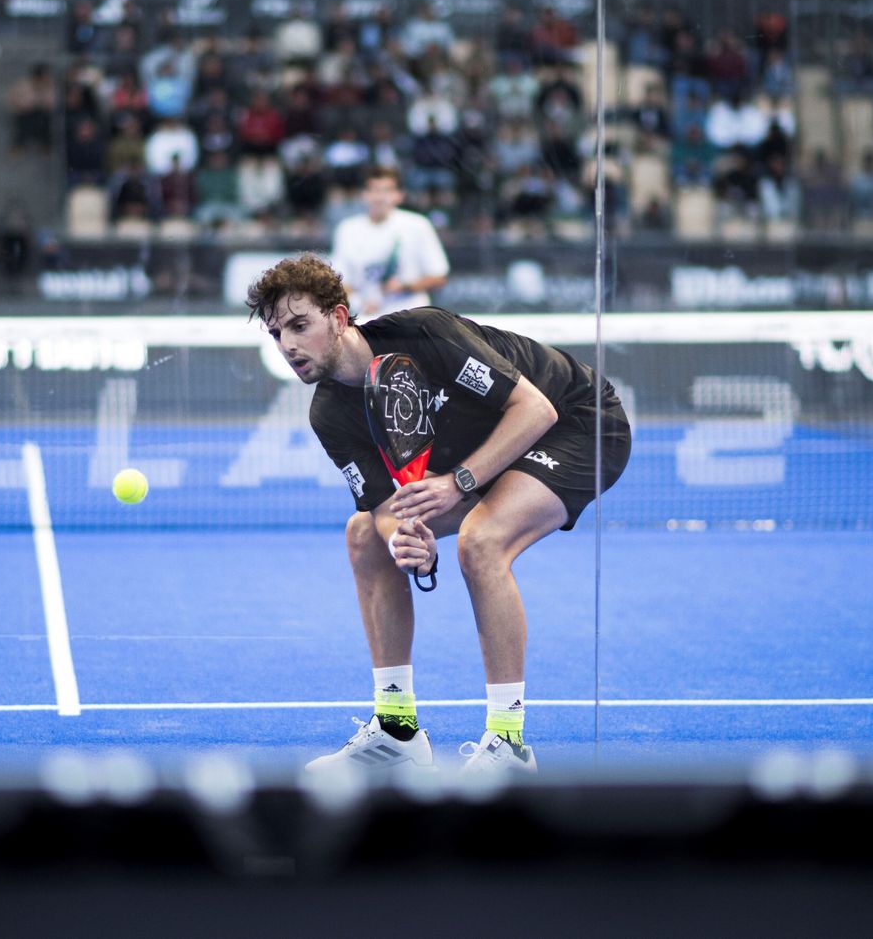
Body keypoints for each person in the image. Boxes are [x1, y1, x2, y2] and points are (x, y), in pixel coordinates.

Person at [246, 254, 632, 774]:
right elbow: (386, 510)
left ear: (338, 318)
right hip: (488, 454)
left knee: (482, 540)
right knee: (363, 536)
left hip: (578, 420)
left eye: (299, 325)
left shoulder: (426, 334)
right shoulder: (329, 412)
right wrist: (409, 544)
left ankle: (509, 742)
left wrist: (460, 482)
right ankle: (397, 729)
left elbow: (536, 410)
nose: (287, 345)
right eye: (275, 333)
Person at [328, 165, 450, 319]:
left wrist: (404, 286)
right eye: (374, 190)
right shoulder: (347, 229)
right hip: (366, 319)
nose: (379, 197)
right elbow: (340, 282)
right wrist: (359, 301)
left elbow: (439, 275)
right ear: (364, 194)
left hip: (411, 318)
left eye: (386, 190)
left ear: (399, 195)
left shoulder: (418, 225)